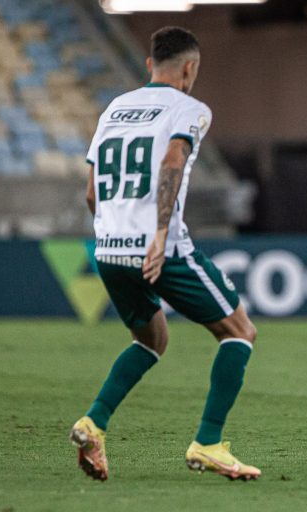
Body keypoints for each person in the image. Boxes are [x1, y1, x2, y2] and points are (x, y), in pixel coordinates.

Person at [70, 26, 260, 481]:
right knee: (239, 331)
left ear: (150, 63)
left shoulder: (115, 108)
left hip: (109, 247)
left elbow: (92, 193)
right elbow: (173, 159)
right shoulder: (190, 109)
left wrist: (116, 233)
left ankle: (93, 422)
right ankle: (209, 442)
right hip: (160, 247)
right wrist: (157, 233)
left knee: (152, 339)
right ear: (190, 67)